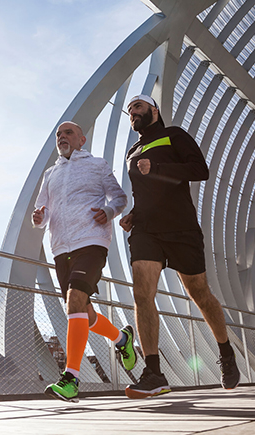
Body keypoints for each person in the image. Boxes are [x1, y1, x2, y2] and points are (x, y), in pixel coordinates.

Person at [120, 94, 241, 399]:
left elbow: (200, 170)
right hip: (147, 231)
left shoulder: (173, 135)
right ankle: (154, 372)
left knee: (200, 293)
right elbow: (145, 190)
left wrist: (158, 166)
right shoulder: (132, 152)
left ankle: (226, 353)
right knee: (141, 293)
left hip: (181, 227)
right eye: (130, 109)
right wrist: (134, 214)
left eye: (138, 106)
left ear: (154, 111)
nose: (132, 111)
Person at [32, 121, 136, 403]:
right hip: (60, 247)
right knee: (82, 311)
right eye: (58, 135)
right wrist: (39, 218)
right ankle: (122, 340)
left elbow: (119, 197)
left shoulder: (98, 165)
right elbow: (43, 210)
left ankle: (71, 378)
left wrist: (108, 210)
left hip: (91, 241)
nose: (61, 138)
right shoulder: (50, 174)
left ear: (81, 139)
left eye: (67, 133)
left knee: (76, 299)